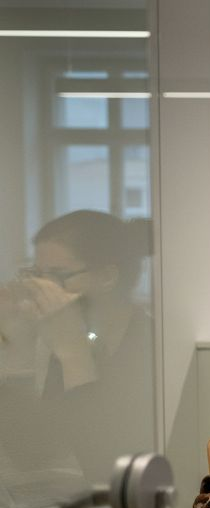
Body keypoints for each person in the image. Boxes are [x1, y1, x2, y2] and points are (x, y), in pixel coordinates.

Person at [0, 210, 154, 491]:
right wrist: (16, 350)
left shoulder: (151, 347)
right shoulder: (76, 341)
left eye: (57, 276)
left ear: (107, 276)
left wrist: (74, 355)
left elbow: (106, 470)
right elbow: (33, 453)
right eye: (36, 276)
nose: (41, 289)